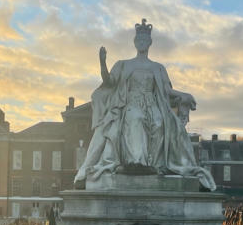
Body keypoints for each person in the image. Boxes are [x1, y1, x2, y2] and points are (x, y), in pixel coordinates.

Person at [74, 20, 216, 190]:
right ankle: (136, 162)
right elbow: (109, 82)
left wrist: (184, 95)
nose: (141, 43)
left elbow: (166, 91)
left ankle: (153, 165)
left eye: (144, 40)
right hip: (131, 103)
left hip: (152, 103)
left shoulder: (158, 67)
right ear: (135, 43)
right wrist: (103, 63)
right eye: (138, 40)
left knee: (159, 122)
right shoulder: (124, 64)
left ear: (149, 43)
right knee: (137, 118)